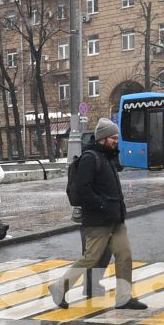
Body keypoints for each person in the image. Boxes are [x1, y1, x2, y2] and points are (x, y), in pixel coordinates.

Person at [50, 120, 144, 310]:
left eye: (117, 138)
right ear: (102, 138)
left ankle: (124, 297)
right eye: (113, 138)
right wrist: (102, 206)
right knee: (90, 258)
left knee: (124, 255)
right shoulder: (90, 158)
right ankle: (59, 287)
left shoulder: (107, 157)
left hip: (116, 220)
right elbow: (84, 189)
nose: (116, 141)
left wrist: (117, 209)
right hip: (98, 221)